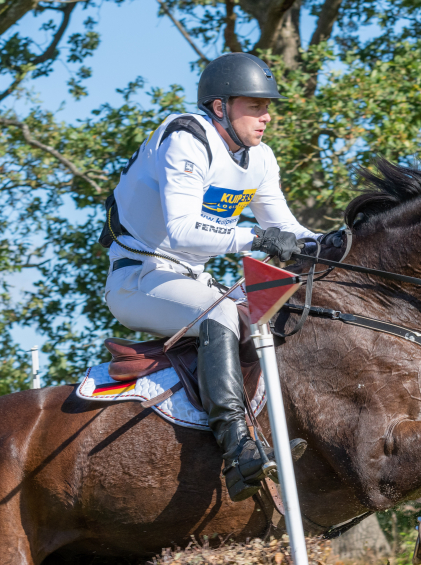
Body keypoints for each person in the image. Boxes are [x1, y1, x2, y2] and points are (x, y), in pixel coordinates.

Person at [101, 52, 319, 502]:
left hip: (191, 280)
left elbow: (287, 229)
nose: (266, 116)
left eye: (267, 107)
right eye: (255, 106)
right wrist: (256, 238)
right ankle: (238, 449)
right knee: (220, 315)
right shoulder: (186, 137)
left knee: (276, 318)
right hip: (139, 277)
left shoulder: (260, 158)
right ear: (220, 107)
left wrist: (341, 242)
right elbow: (182, 230)